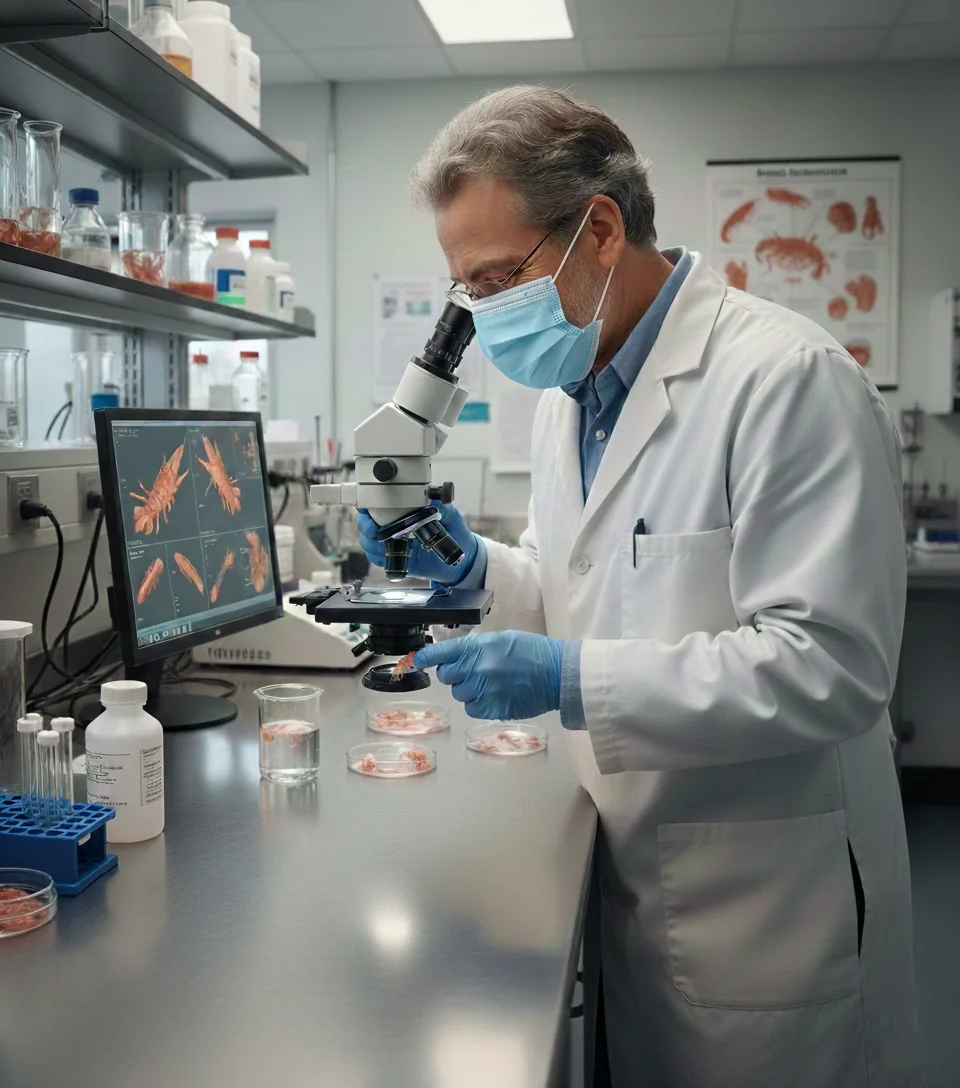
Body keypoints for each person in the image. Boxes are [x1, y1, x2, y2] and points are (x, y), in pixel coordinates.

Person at [358, 86, 923, 1088]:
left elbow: (834, 665)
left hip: (762, 904)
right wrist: (479, 566)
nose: (485, 316)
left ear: (601, 230)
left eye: (498, 277)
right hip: (633, 859)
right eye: (468, 290)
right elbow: (580, 585)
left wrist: (572, 680)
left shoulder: (787, 379)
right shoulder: (571, 396)